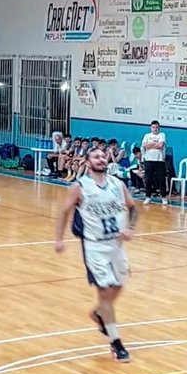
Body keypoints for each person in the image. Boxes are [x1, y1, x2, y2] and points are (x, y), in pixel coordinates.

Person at [55, 147, 138, 362]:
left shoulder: (117, 184)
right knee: (104, 291)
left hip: (116, 245)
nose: (101, 159)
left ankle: (100, 313)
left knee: (118, 285)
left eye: (103, 156)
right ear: (88, 161)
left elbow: (133, 207)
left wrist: (130, 228)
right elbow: (64, 211)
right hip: (94, 247)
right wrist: (59, 239)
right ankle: (116, 342)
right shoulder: (80, 186)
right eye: (96, 156)